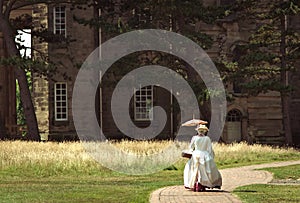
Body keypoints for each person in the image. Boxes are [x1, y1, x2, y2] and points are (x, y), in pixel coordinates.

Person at [183, 124, 222, 191]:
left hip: (196, 154)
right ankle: (202, 184)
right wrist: (211, 156)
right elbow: (209, 149)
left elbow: (191, 147)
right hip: (205, 154)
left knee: (195, 169)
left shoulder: (194, 138)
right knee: (204, 170)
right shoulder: (207, 138)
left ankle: (196, 184)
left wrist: (191, 152)